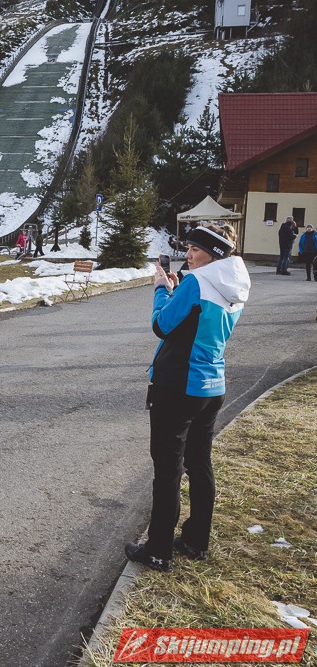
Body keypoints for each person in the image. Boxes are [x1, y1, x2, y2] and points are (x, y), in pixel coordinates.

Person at [125, 222, 250, 572]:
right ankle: (196, 541)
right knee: (199, 464)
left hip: (177, 386)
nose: (188, 255)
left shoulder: (195, 282)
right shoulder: (236, 281)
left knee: (168, 470)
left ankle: (158, 550)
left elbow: (161, 325)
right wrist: (180, 293)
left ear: (214, 253)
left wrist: (162, 291)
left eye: (195, 249)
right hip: (212, 385)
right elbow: (198, 321)